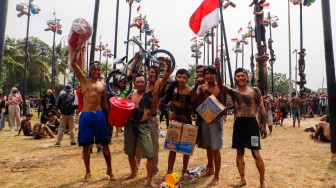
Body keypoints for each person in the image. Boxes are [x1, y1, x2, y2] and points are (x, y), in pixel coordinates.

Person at [217, 66, 267, 188]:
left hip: (251, 123)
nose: (240, 78)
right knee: (239, 153)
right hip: (239, 123)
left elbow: (261, 108)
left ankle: (262, 180)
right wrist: (218, 70)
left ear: (247, 77)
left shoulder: (254, 90)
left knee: (256, 153)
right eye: (238, 76)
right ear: (235, 78)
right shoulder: (234, 92)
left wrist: (263, 126)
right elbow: (221, 86)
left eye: (242, 75)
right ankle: (242, 179)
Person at [72, 42, 115, 182]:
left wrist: (110, 119)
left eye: (98, 70)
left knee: (105, 144)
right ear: (90, 71)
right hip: (85, 116)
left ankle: (110, 169)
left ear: (101, 71)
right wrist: (78, 48)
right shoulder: (84, 81)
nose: (96, 72)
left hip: (99, 115)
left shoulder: (103, 86)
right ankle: (88, 172)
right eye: (94, 69)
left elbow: (104, 103)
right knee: (85, 146)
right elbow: (74, 64)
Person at [133, 58, 172, 177]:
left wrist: (168, 66)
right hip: (140, 119)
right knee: (138, 145)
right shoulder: (143, 86)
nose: (153, 73)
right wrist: (136, 60)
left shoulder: (159, 86)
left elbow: (165, 77)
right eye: (151, 71)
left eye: (155, 71)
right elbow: (132, 74)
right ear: (148, 73)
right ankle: (135, 169)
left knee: (154, 145)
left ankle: (154, 170)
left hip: (153, 118)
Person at [191, 60, 225, 186]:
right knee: (208, 147)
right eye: (207, 74)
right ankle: (210, 168)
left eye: (212, 73)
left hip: (216, 122)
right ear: (204, 75)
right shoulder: (202, 87)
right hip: (205, 120)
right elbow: (193, 98)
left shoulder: (219, 88)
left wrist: (218, 117)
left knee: (216, 148)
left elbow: (224, 104)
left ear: (215, 75)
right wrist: (195, 86)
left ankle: (216, 176)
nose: (209, 76)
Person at [123, 74, 159, 187]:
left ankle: (149, 180)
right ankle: (133, 172)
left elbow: (158, 85)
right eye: (137, 82)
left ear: (145, 83)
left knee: (150, 153)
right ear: (134, 83)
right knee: (130, 151)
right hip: (130, 125)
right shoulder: (130, 95)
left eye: (142, 82)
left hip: (143, 125)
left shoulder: (149, 95)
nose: (139, 84)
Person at [164, 69, 193, 180]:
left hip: (187, 121)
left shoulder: (190, 90)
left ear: (187, 79)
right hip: (175, 120)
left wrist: (177, 103)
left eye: (184, 77)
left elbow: (190, 106)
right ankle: (169, 170)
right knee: (172, 147)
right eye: (179, 77)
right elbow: (165, 101)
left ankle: (184, 171)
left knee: (186, 147)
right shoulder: (171, 88)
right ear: (176, 77)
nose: (181, 79)